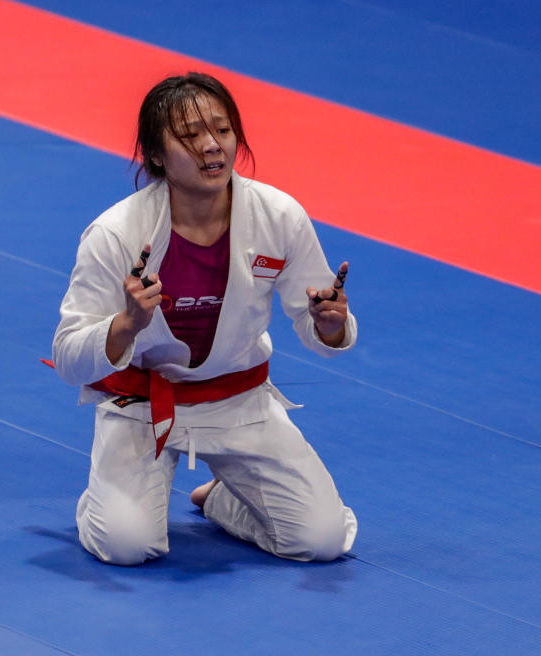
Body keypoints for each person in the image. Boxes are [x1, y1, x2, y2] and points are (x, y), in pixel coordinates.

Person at [52, 72, 358, 566]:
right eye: (190, 136)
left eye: (222, 130)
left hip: (239, 401)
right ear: (155, 155)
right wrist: (125, 325)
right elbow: (69, 358)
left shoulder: (279, 216)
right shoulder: (116, 233)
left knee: (322, 541)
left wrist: (330, 324)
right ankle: (102, 503)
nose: (212, 146)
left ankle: (219, 498)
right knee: (127, 546)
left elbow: (318, 320)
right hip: (142, 405)